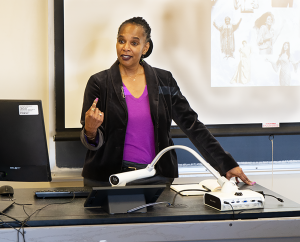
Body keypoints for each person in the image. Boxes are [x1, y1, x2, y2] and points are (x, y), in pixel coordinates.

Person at [80, 17, 255, 187]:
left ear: (145, 47)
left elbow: (192, 125)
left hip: (155, 178)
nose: (125, 48)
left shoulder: (164, 80)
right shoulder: (99, 83)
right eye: (121, 41)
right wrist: (90, 130)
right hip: (109, 179)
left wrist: (226, 163)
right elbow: (91, 141)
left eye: (134, 43)